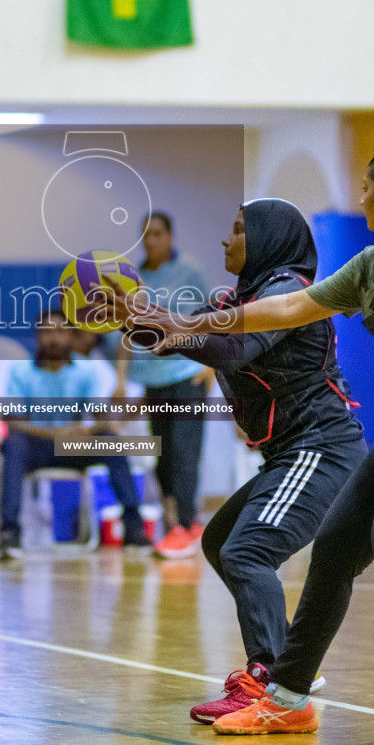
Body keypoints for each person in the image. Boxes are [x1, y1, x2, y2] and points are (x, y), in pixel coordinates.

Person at [143, 147, 374, 745]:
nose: (359, 196)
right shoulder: (369, 265)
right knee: (337, 545)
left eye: (367, 188)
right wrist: (181, 322)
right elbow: (288, 307)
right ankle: (287, 696)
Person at [112, 198, 367, 725]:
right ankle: (288, 668)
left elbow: (229, 351)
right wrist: (130, 315)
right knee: (220, 541)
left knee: (248, 550)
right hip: (288, 453)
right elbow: (182, 338)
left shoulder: (290, 294)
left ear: (270, 240)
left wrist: (157, 321)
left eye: (237, 231)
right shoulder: (236, 297)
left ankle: (274, 682)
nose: (226, 241)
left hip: (321, 448)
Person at [0, 309, 151, 558]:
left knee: (111, 441)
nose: (54, 338)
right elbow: (12, 420)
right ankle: (9, 534)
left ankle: (134, 528)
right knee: (13, 444)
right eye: (47, 332)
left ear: (71, 336)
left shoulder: (86, 370)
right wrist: (51, 433)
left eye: (61, 331)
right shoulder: (20, 371)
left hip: (74, 446)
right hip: (36, 446)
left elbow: (102, 420)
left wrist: (85, 429)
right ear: (37, 336)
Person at [113, 212, 216, 559]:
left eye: (157, 234)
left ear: (170, 236)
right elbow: (127, 331)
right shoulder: (136, 277)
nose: (151, 241)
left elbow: (211, 318)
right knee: (163, 456)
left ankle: (186, 524)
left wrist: (212, 367)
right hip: (154, 381)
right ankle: (176, 523)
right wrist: (122, 379)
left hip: (188, 375)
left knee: (185, 452)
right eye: (145, 235)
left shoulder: (191, 270)